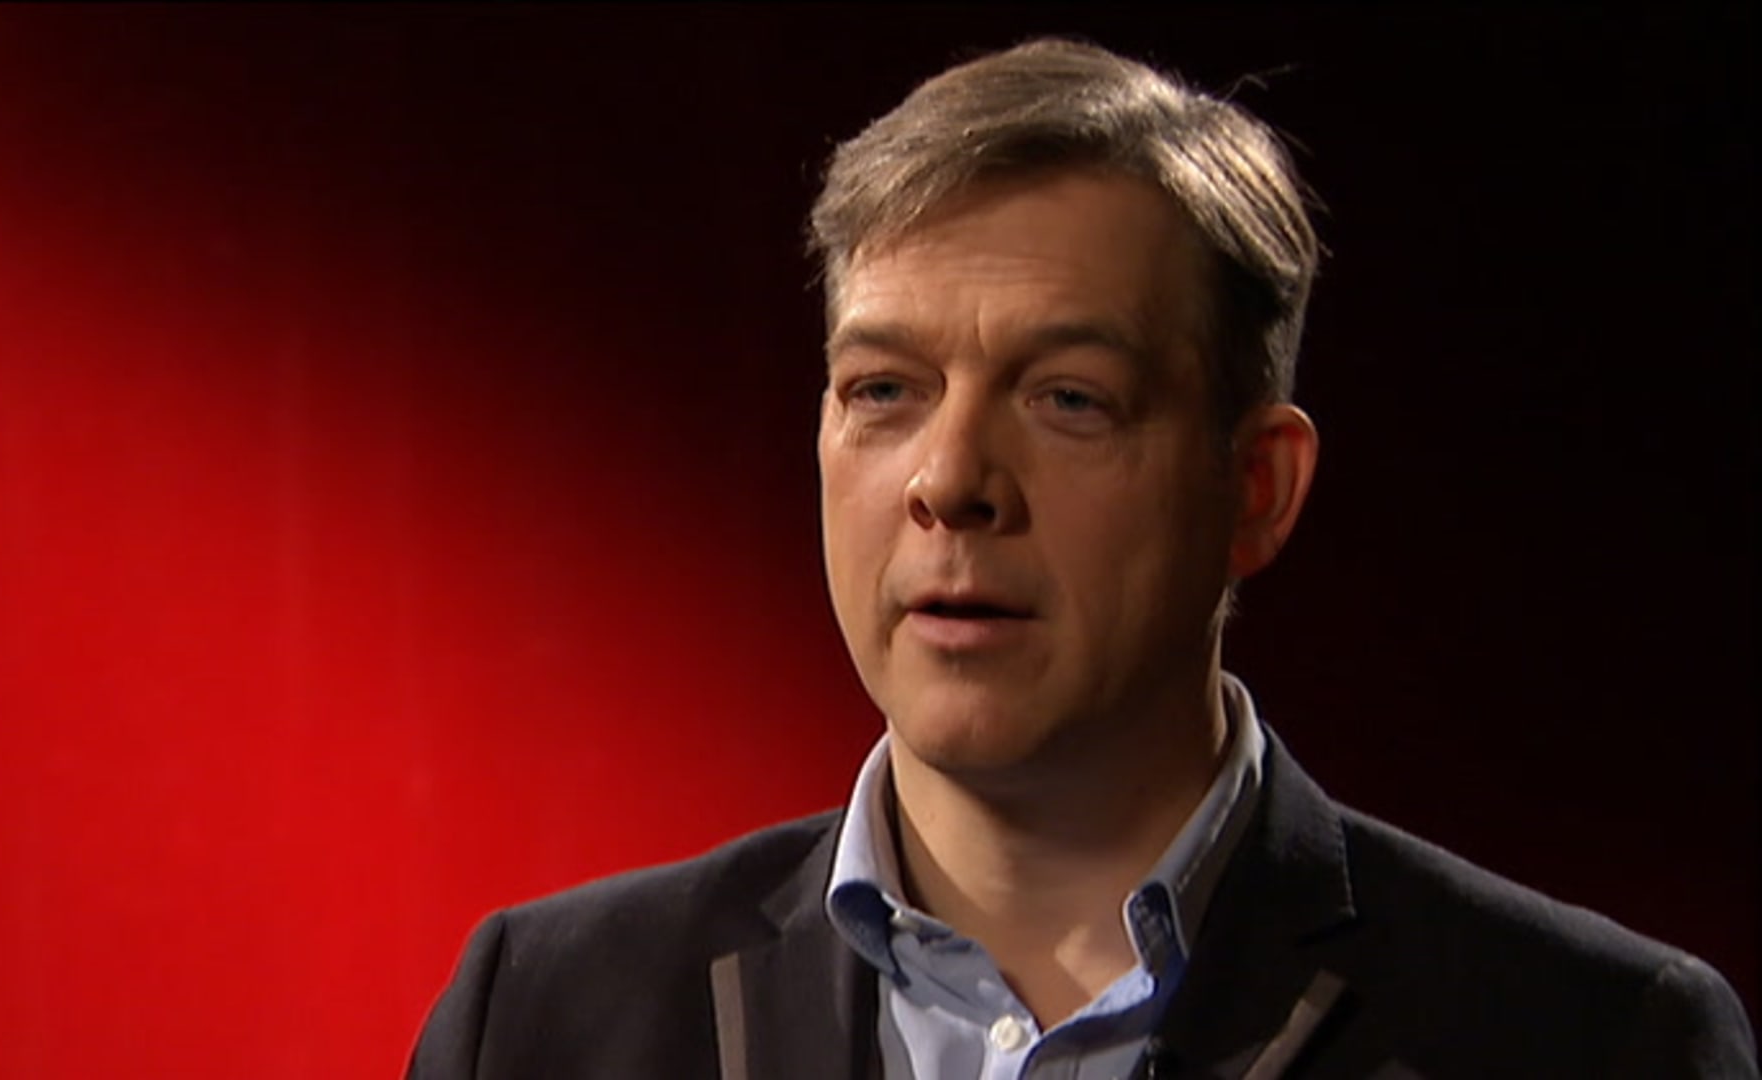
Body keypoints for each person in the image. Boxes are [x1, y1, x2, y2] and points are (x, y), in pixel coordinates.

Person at [408, 39, 1757, 1079]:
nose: (950, 481)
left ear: (1256, 489)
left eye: (1069, 399)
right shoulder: (543, 1015)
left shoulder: (1594, 1041)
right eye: (885, 390)